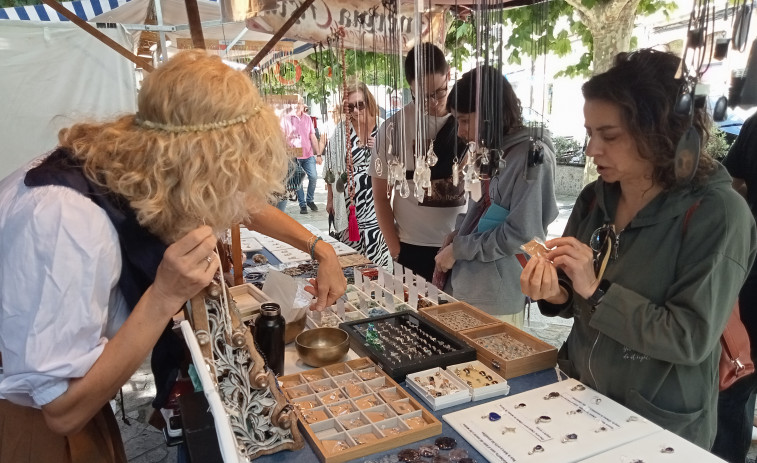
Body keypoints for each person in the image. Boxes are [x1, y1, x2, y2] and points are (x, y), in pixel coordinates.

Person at [0, 50, 346, 462]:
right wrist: (164, 296)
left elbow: (243, 202)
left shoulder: (130, 159)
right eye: (224, 171)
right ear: (192, 158)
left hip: (79, 402)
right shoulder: (64, 221)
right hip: (32, 423)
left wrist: (321, 250)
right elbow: (61, 409)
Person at [519, 48, 756, 449]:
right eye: (589, 133)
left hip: (659, 426)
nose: (592, 150)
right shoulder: (596, 198)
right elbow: (577, 298)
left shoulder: (717, 215)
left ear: (660, 130)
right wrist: (555, 290)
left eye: (609, 135)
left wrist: (596, 289)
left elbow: (690, 337)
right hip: (580, 398)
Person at [434, 65, 558, 326]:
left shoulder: (531, 158)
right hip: (469, 286)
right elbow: (483, 212)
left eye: (466, 121)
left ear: (490, 115)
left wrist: (459, 249)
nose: (460, 131)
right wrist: (457, 236)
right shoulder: (494, 152)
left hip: (497, 297)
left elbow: (523, 235)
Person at [370, 42, 468, 281]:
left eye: (440, 92)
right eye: (423, 96)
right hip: (411, 246)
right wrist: (395, 249)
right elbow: (380, 195)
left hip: (462, 245)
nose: (433, 102)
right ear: (410, 87)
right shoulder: (393, 128)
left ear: (449, 75)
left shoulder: (467, 120)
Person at [713, 113, 757, 463]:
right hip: (749, 283)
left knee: (735, 388)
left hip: (749, 281)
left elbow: (733, 183)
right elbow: (733, 181)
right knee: (735, 385)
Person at [324, 79, 391, 268]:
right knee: (352, 253)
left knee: (377, 246)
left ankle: (379, 283)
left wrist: (380, 148)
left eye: (360, 105)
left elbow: (395, 166)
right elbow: (329, 168)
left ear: (369, 101)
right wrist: (330, 200)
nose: (355, 111)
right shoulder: (342, 131)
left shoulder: (384, 128)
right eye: (350, 107)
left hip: (375, 201)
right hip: (349, 203)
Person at [286, 95, 325, 214]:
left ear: (303, 105)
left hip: (308, 154)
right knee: (299, 181)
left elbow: (312, 136)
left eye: (299, 103)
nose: (297, 105)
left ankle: (310, 200)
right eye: (295, 103)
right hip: (294, 155)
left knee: (313, 177)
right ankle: (302, 204)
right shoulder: (287, 119)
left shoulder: (308, 119)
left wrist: (318, 154)